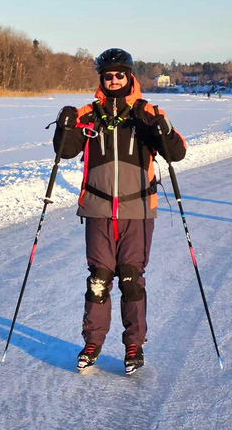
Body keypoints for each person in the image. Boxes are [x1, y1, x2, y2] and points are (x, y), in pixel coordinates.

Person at [51, 48, 187, 375]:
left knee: (130, 279)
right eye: (108, 75)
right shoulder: (89, 113)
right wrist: (64, 126)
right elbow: (65, 151)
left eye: (119, 75)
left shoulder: (147, 111)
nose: (113, 80)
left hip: (137, 210)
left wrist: (160, 128)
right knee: (98, 280)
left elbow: (177, 151)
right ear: (102, 79)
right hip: (98, 209)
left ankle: (133, 345)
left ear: (130, 77)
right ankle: (92, 343)